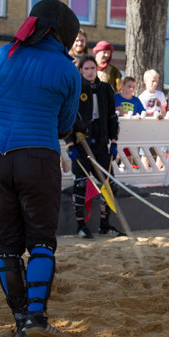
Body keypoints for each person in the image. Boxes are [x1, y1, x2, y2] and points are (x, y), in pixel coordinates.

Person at [0, 0, 81, 337]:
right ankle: (37, 317)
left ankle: (21, 318)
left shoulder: (3, 55)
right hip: (37, 156)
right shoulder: (68, 70)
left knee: (7, 246)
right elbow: (64, 126)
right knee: (41, 241)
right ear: (64, 33)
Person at [66, 55, 125, 240]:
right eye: (86, 69)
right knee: (81, 184)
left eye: (93, 68)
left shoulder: (105, 89)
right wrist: (70, 144)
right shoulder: (75, 90)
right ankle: (81, 226)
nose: (90, 72)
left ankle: (105, 225)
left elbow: (111, 117)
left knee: (109, 185)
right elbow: (67, 117)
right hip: (81, 143)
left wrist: (113, 142)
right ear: (81, 71)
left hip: (101, 144)